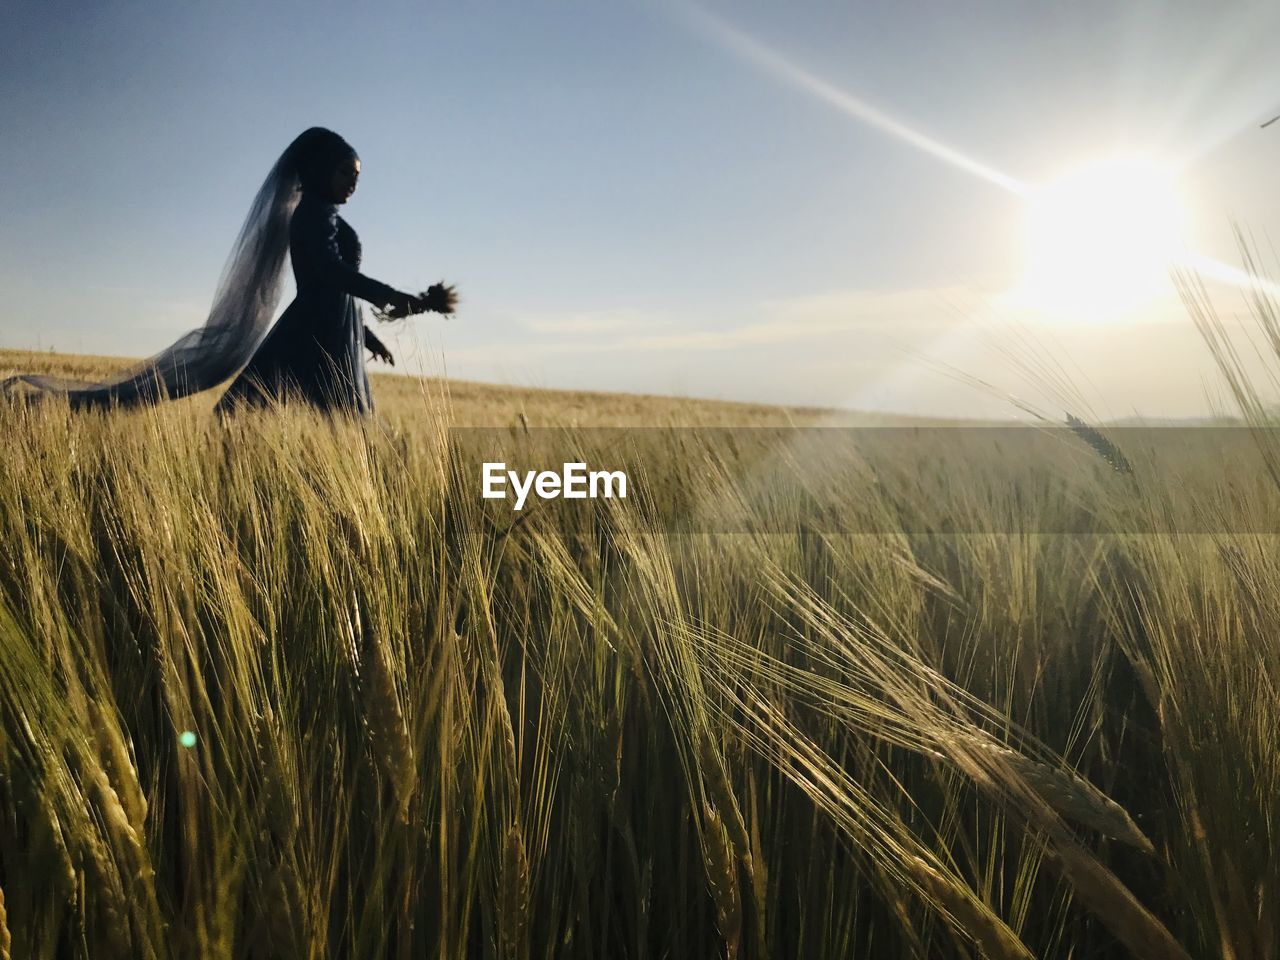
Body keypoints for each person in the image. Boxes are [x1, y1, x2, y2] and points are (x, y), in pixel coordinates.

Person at [1, 126, 455, 413]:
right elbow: (332, 276)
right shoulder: (312, 215)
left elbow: (340, 287)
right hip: (315, 329)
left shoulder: (327, 215)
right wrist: (397, 298)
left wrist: (368, 335)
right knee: (275, 414)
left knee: (313, 419)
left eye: (357, 175)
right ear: (319, 171)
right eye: (345, 172)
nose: (353, 182)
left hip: (335, 328)